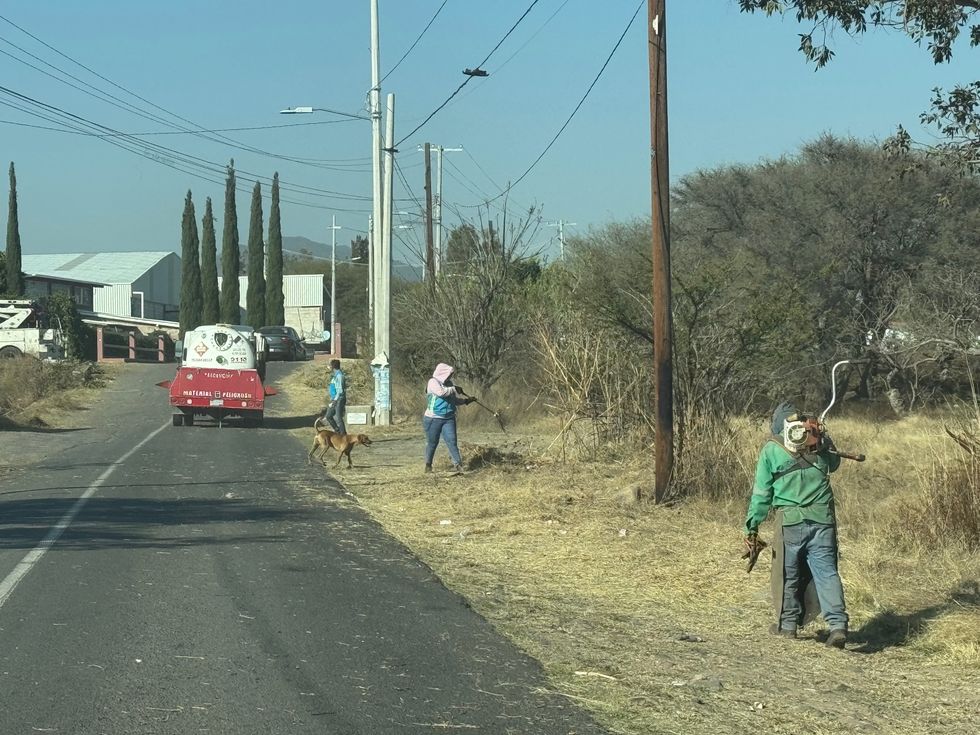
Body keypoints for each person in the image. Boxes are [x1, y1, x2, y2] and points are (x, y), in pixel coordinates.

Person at [744, 402, 849, 648]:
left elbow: (761, 494)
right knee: (826, 573)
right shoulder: (818, 444)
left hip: (790, 522)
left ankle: (787, 626)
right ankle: (837, 625)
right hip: (822, 520)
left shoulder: (772, 449)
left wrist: (752, 526)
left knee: (786, 573)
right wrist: (824, 438)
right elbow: (834, 465)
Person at [423, 362, 475, 473]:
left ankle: (458, 465)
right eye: (449, 374)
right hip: (433, 418)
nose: (450, 377)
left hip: (449, 418)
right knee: (433, 442)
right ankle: (428, 465)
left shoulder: (449, 384)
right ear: (443, 373)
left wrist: (466, 401)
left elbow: (453, 400)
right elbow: (441, 393)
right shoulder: (432, 382)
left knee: (452, 441)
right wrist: (454, 388)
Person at [323, 359, 347, 434]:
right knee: (328, 416)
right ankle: (337, 431)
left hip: (339, 399)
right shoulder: (335, 376)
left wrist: (334, 401)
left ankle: (343, 434)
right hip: (334, 399)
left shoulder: (339, 376)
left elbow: (340, 391)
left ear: (333, 367)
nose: (329, 367)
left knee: (338, 417)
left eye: (330, 365)